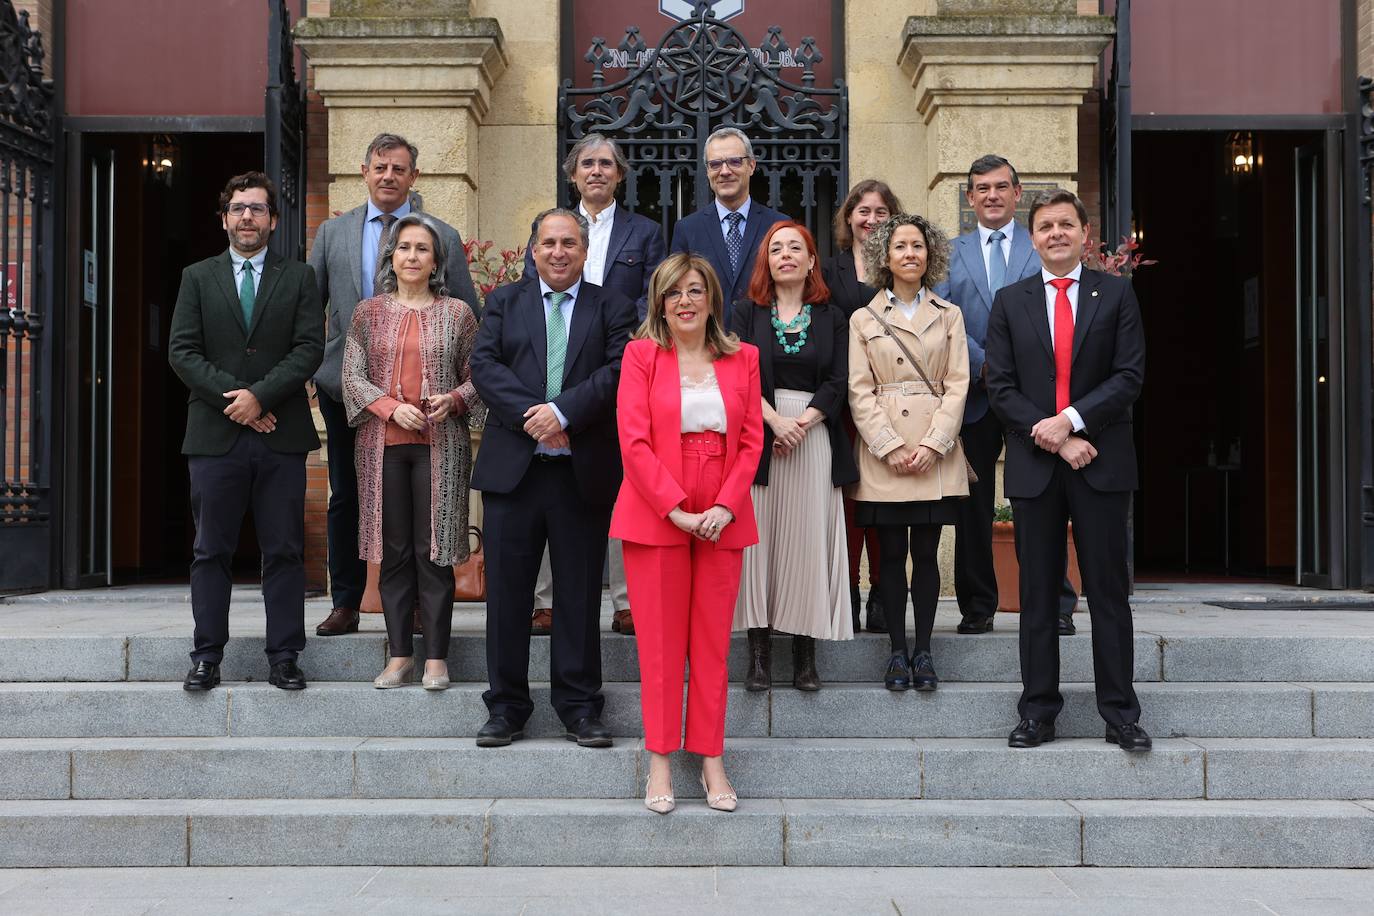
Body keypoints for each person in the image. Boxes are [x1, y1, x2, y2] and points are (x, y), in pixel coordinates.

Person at [985, 189, 1150, 752]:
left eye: (1066, 225)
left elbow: (1128, 376)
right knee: (1037, 595)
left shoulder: (1118, 294)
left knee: (1107, 593)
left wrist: (1074, 424)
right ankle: (1037, 712)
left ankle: (1120, 713)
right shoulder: (1011, 301)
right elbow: (1000, 386)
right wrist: (1056, 440)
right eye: (1045, 227)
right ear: (1032, 240)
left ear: (1085, 234)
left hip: (1101, 461)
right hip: (1037, 466)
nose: (1056, 234)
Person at [469, 208, 638, 749]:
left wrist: (563, 413)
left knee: (580, 595)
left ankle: (580, 706)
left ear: (585, 251)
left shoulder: (609, 305)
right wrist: (535, 415)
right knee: (509, 598)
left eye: (570, 243)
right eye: (549, 243)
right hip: (513, 474)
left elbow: (618, 370)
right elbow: (484, 366)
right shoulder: (503, 302)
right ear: (533, 250)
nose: (559, 252)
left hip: (579, 473)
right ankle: (506, 707)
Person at [311, 133, 480, 639]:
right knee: (346, 495)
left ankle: (420, 616)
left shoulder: (439, 233)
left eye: (398, 168)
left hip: (430, 406)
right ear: (364, 171)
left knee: (425, 514)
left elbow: (468, 308)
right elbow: (309, 310)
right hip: (351, 390)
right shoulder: (332, 233)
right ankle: (346, 601)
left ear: (414, 177)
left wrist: (456, 393)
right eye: (379, 167)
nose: (388, 176)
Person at [611, 252, 763, 813]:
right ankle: (658, 760)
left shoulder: (742, 357)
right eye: (673, 293)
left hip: (722, 500)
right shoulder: (641, 356)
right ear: (659, 301)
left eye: (695, 290)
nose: (685, 301)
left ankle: (710, 758)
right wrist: (674, 509)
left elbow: (750, 440)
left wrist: (725, 505)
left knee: (711, 645)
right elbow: (633, 440)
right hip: (657, 505)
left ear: (712, 299)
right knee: (659, 644)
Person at [168, 171, 324, 691]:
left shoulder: (299, 277)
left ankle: (284, 656)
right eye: (238, 208)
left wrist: (262, 396)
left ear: (273, 221)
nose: (247, 217)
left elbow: (308, 348)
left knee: (283, 549)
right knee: (211, 549)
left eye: (257, 209)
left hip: (281, 434)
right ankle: (206, 656)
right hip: (215, 437)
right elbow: (182, 352)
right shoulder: (197, 276)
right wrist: (238, 398)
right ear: (224, 218)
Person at [522, 132, 666, 637]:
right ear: (573, 173)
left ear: (620, 175)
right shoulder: (550, 230)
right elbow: (529, 299)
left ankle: (626, 602)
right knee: (546, 486)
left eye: (607, 164)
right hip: (557, 375)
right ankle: (544, 601)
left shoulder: (644, 232)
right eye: (588, 163)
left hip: (620, 374)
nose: (597, 171)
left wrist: (628, 359)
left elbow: (653, 304)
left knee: (621, 487)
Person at [934, 155, 1079, 637]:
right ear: (970, 198)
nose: (991, 195)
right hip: (973, 396)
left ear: (1018, 194)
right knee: (971, 507)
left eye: (1001, 187)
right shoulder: (949, 252)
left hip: (1030, 400)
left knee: (1039, 503)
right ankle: (978, 606)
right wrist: (987, 363)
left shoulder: (1041, 246)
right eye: (981, 188)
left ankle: (1055, 602)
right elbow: (942, 317)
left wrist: (1011, 370)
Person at [341, 213, 484, 690]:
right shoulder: (368, 312)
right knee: (394, 552)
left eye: (422, 249)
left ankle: (437, 658)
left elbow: (477, 377)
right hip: (381, 449)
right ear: (391, 256)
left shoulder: (458, 314)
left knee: (435, 550)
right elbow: (351, 378)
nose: (412, 256)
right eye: (404, 247)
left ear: (436, 260)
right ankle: (400, 654)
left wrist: (455, 399)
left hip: (439, 449)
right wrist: (387, 408)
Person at [731, 222, 856, 692]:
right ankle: (758, 653)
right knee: (757, 543)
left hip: (813, 432)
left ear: (810, 261)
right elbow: (737, 375)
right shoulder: (746, 313)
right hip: (759, 432)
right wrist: (773, 423)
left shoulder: (832, 317)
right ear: (766, 260)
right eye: (776, 248)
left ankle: (806, 654)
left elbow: (839, 380)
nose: (785, 255)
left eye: (795, 248)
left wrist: (800, 423)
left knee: (806, 540)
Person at [848, 214, 970, 692]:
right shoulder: (864, 318)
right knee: (890, 556)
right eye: (899, 246)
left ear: (930, 253)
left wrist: (934, 444)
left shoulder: (950, 314)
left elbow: (958, 384)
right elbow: (859, 390)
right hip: (886, 455)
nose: (909, 253)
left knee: (927, 553)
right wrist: (890, 445)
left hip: (934, 452)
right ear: (885, 256)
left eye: (917, 245)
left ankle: (924, 650)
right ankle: (896, 652)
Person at [823, 179, 903, 635]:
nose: (871, 220)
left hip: (894, 406)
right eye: (863, 211)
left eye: (880, 211)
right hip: (845, 408)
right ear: (848, 218)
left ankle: (882, 595)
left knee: (886, 504)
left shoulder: (902, 266)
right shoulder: (829, 270)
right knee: (851, 503)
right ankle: (848, 592)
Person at [669, 127, 787, 325]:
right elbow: (675, 291)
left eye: (734, 161)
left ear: (751, 165)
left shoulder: (778, 225)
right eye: (715, 164)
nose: (724, 171)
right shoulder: (687, 229)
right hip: (707, 343)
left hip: (766, 339)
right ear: (707, 171)